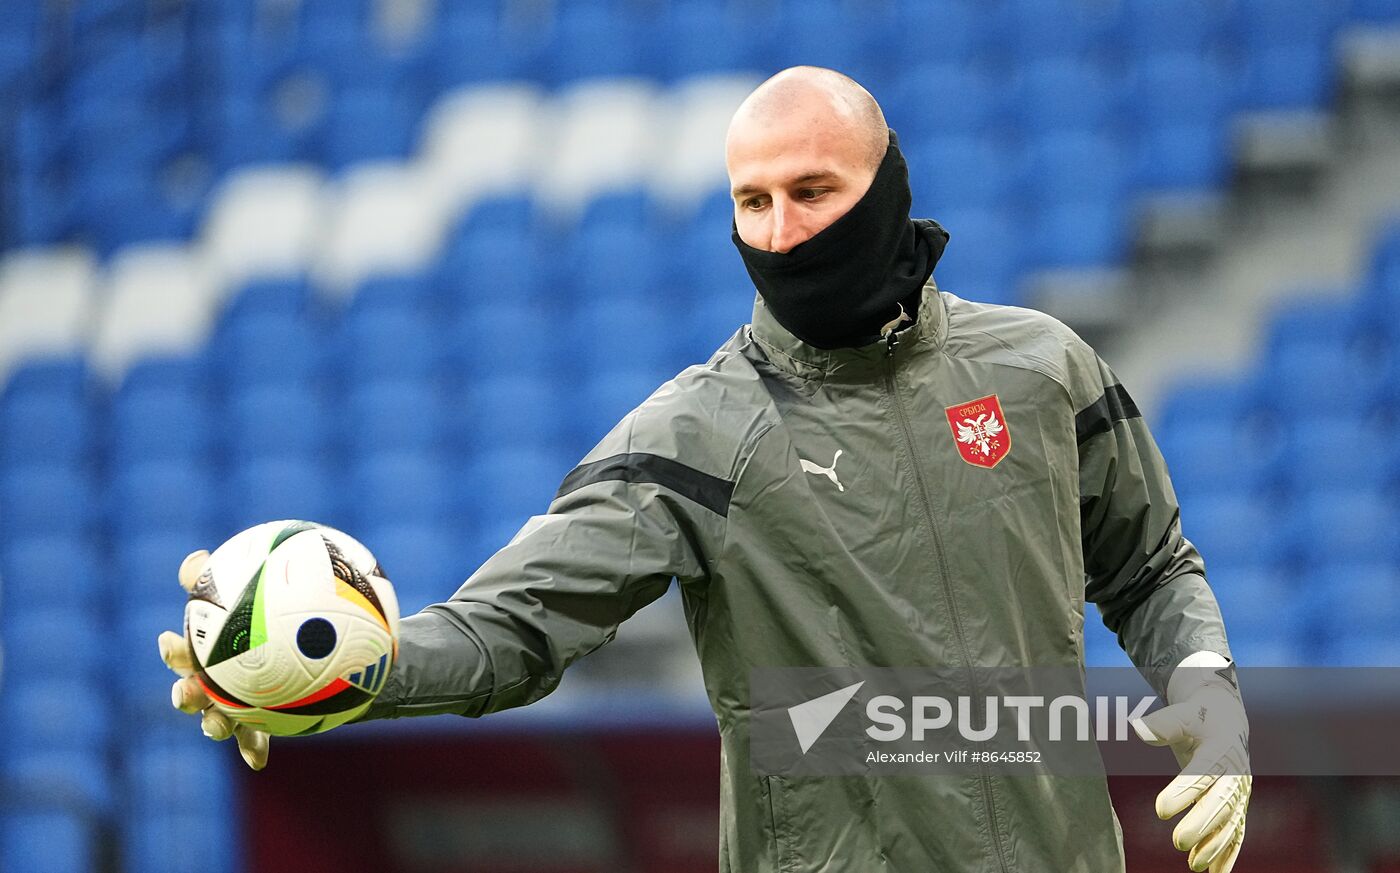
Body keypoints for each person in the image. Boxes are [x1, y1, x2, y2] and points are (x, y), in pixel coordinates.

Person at [160, 66, 1251, 872]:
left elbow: (1151, 566)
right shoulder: (696, 433)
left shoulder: (1041, 367)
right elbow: (509, 630)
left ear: (887, 185)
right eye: (751, 202)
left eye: (812, 191)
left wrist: (1209, 700)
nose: (780, 233)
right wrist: (345, 671)